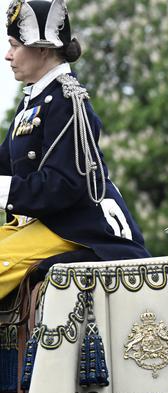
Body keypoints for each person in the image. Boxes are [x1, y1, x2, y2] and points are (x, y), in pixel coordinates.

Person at [0, 0, 148, 301]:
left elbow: (63, 187)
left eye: (15, 45)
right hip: (46, 225)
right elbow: (6, 163)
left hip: (78, 229)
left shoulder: (68, 102)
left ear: (42, 49)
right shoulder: (34, 101)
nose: (8, 55)